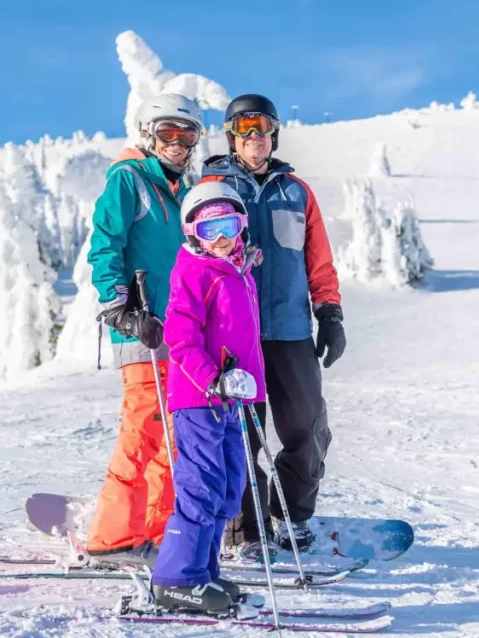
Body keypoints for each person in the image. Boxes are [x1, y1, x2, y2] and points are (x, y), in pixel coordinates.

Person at [199, 94, 346, 559]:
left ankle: (292, 514)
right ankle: (248, 526)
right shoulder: (212, 188)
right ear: (231, 138)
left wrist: (330, 312)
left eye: (261, 130)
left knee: (306, 425)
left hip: (290, 330)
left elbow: (317, 259)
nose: (254, 139)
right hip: (232, 334)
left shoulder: (297, 192)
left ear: (273, 135)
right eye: (244, 131)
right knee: (240, 432)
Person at [84, 93, 203, 566]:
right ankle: (111, 538)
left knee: (174, 435)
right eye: (168, 133)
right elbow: (104, 243)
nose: (177, 143)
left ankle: (153, 532)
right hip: (141, 327)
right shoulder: (129, 179)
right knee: (144, 429)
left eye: (187, 134)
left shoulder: (177, 192)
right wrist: (119, 306)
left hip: (177, 333)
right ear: (148, 134)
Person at [150, 181, 266, 612]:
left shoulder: (238, 272)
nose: (219, 238)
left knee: (230, 484)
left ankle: (204, 569)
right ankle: (176, 579)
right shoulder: (194, 271)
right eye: (208, 228)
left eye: (228, 226)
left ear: (241, 227)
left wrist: (242, 387)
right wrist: (211, 380)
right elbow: (180, 337)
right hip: (199, 399)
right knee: (200, 486)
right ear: (191, 234)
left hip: (229, 401)